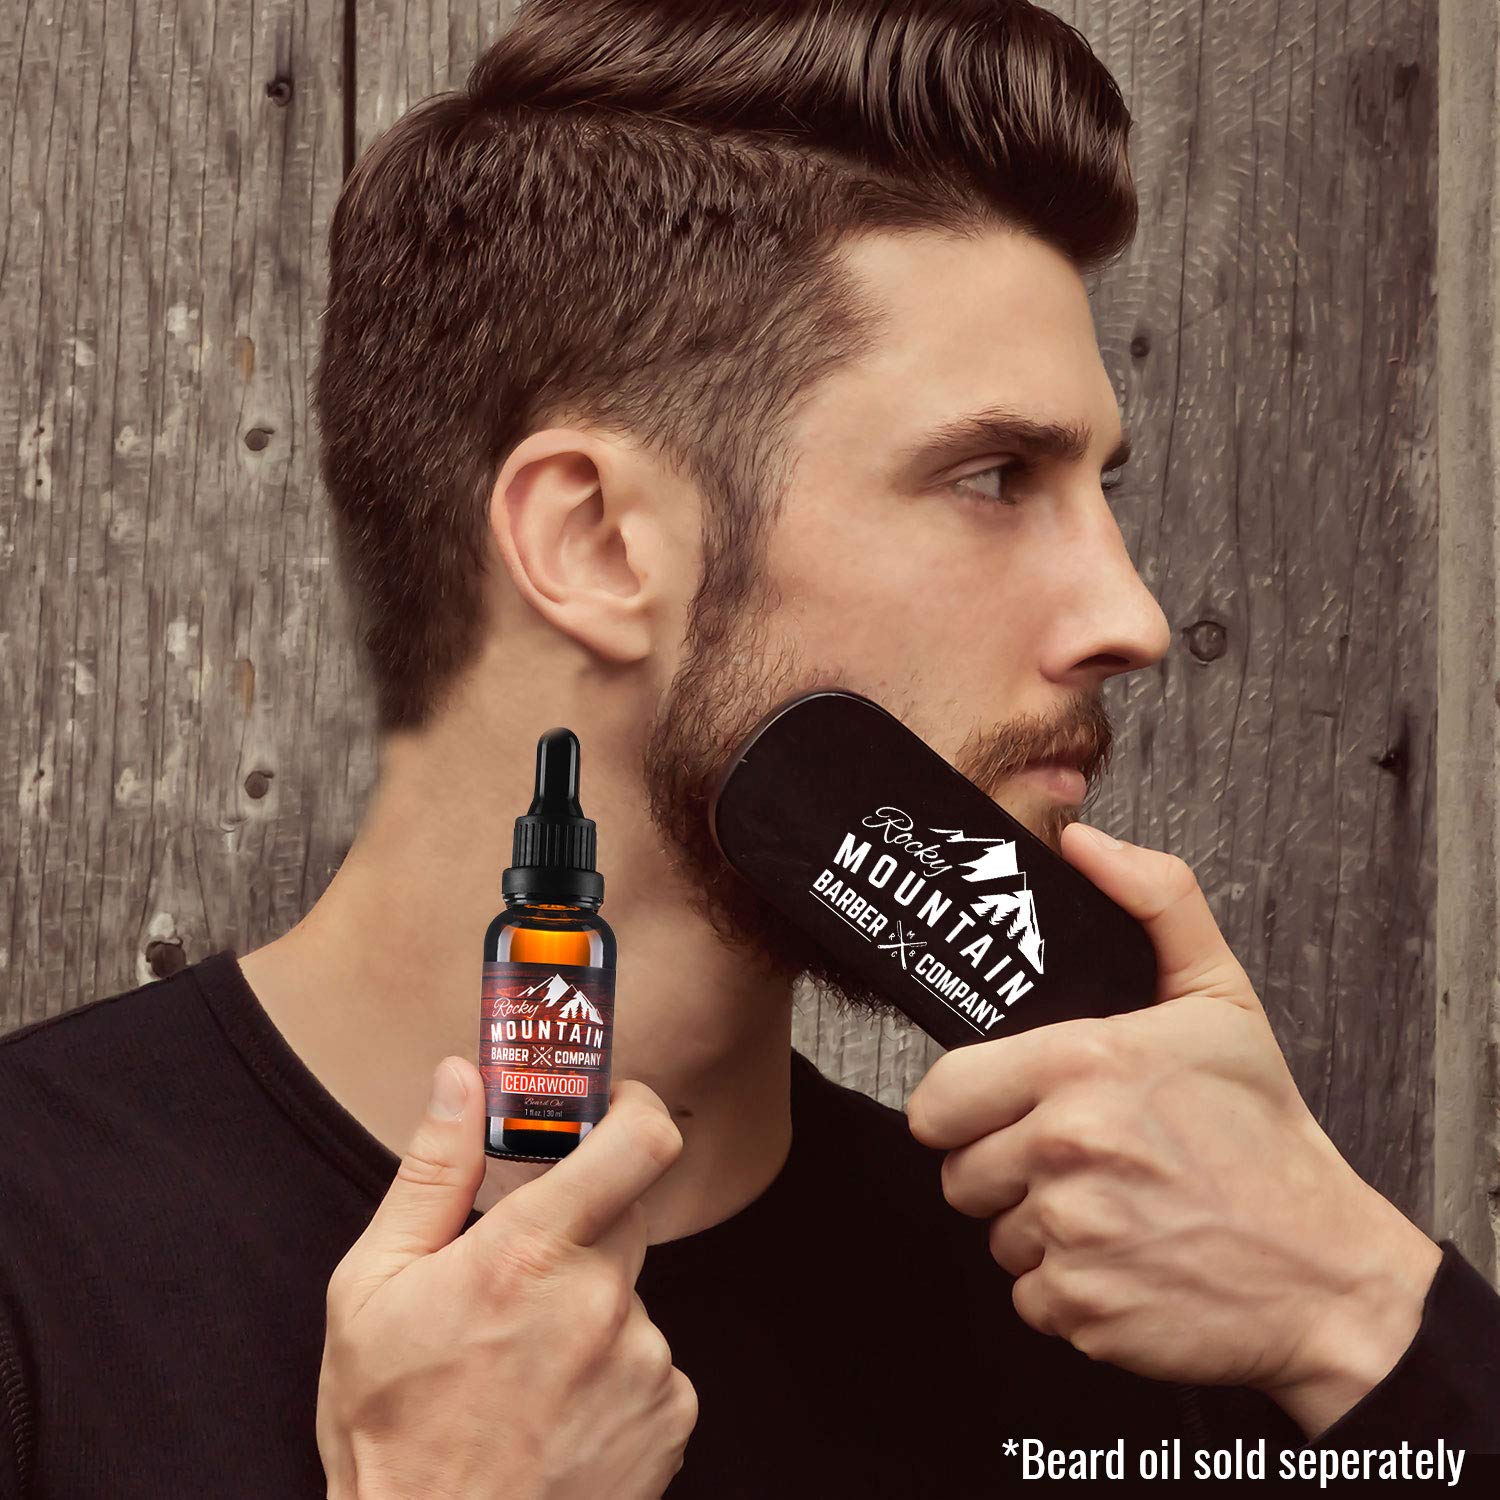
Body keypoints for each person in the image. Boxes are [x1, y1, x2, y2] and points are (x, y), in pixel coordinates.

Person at [2, 0, 1497, 1495]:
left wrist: (1358, 1309)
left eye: (1099, 489)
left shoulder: (1141, 1312)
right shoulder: (39, 1261)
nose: (1133, 617)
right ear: (595, 541)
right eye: (993, 477)